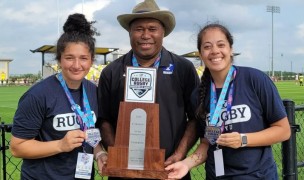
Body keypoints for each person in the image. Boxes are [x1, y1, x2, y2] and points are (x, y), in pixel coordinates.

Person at [165, 23, 291, 179]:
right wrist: (186, 164)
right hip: (216, 175)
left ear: (230, 49)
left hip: (258, 176)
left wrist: (243, 139)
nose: (215, 51)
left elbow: (283, 130)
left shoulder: (255, 79)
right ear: (201, 54)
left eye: (221, 45)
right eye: (207, 47)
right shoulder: (198, 95)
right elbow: (206, 143)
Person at [96, 0, 200, 179]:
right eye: (139, 29)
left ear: (163, 33)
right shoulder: (111, 72)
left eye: (152, 29)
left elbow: (195, 118)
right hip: (124, 173)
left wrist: (180, 154)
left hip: (170, 170)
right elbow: (104, 120)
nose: (145, 35)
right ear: (129, 33)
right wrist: (119, 157)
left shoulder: (184, 68)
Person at [10, 13, 103, 179]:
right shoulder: (38, 95)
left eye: (83, 58)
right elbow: (17, 147)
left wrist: (99, 153)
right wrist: (60, 145)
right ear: (59, 60)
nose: (76, 65)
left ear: (91, 61)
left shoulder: (93, 91)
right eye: (69, 58)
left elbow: (90, 132)